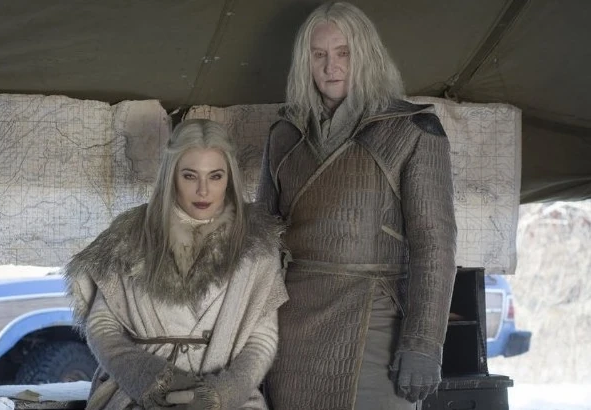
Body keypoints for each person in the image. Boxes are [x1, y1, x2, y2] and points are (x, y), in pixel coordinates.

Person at [257, 2, 457, 409]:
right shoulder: (285, 134)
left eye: (343, 53)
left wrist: (423, 342)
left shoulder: (412, 129)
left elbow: (434, 245)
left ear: (365, 54)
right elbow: (261, 241)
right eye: (318, 54)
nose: (330, 66)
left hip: (374, 318)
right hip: (292, 326)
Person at [64, 119, 288, 410]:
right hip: (136, 392)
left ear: (229, 177)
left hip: (227, 398)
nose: (203, 190)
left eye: (215, 176)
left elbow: (262, 338)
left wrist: (225, 393)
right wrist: (146, 378)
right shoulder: (130, 236)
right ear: (172, 175)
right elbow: (102, 326)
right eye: (190, 176)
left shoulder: (255, 243)